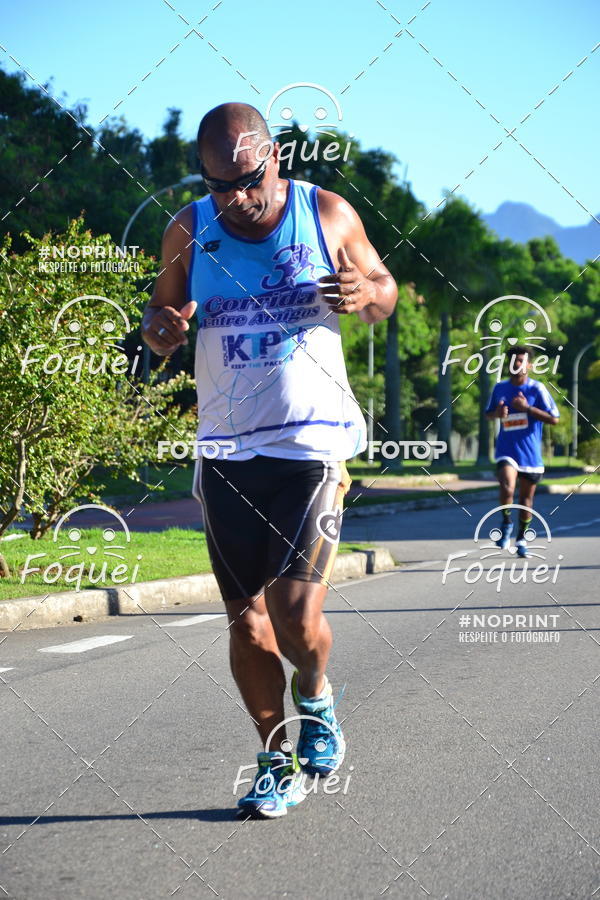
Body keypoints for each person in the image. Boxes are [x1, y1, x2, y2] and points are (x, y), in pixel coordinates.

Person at [141, 102, 397, 817]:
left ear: (274, 157)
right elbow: (161, 314)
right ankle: (274, 760)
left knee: (293, 615)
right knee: (246, 621)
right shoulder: (190, 228)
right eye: (218, 185)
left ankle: (315, 694)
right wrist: (160, 330)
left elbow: (384, 291)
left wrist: (364, 293)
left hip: (311, 445)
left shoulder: (326, 213)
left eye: (247, 180)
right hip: (226, 449)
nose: (236, 198)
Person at [485, 346, 559, 558]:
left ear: (529, 365)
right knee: (507, 485)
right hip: (506, 450)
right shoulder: (500, 388)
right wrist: (497, 413)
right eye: (513, 361)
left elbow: (554, 418)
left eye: (520, 360)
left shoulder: (537, 389)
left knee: (526, 501)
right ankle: (506, 522)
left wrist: (527, 408)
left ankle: (521, 538)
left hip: (531, 455)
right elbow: (488, 414)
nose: (516, 364)